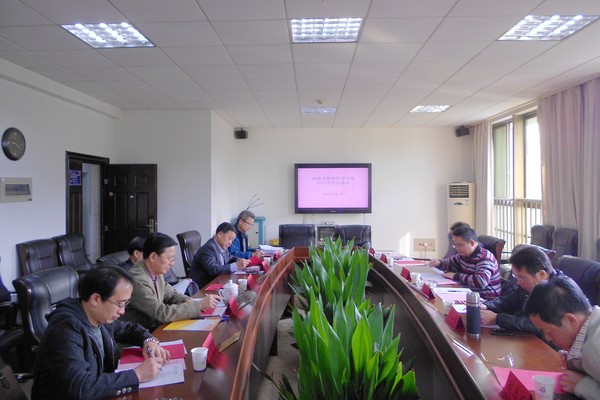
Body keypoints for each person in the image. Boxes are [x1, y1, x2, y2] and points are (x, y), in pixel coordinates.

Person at [32, 266, 169, 400]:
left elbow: (129, 329)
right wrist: (137, 375)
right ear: (96, 299)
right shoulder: (65, 329)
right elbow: (81, 386)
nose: (122, 311)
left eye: (126, 304)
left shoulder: (99, 317)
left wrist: (149, 341)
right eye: (119, 304)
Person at [121, 232, 220, 331]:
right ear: (153, 257)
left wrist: (188, 300)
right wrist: (198, 305)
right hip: (139, 333)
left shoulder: (155, 271)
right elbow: (161, 313)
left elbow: (171, 294)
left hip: (155, 328)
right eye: (169, 258)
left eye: (173, 258)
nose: (172, 263)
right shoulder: (137, 279)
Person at [524, 276, 600, 399]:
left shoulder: (596, 348)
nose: (548, 338)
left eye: (548, 331)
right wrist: (577, 364)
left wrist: (582, 385)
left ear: (570, 320)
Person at [480, 245, 565, 335]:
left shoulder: (558, 292)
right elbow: (508, 301)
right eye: (516, 276)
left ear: (541, 274)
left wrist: (497, 319)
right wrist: (486, 306)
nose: (518, 282)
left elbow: (540, 326)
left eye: (522, 277)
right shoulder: (529, 285)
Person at [429, 226, 501, 298]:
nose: (457, 248)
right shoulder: (464, 254)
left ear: (471, 243)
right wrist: (439, 263)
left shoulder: (485, 257)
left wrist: (455, 276)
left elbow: (481, 281)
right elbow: (450, 264)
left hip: (485, 298)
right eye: (455, 245)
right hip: (469, 293)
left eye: (460, 245)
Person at [190, 222, 250, 288]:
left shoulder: (222, 245)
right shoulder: (209, 248)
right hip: (205, 287)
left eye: (232, 240)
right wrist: (236, 265)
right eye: (229, 238)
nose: (230, 243)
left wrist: (240, 260)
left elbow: (229, 257)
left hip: (219, 281)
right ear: (220, 234)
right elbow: (213, 269)